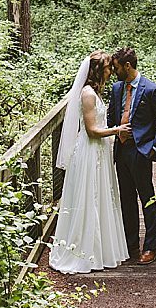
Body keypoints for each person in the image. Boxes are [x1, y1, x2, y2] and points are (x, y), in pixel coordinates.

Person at [49, 51, 133, 273]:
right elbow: (92, 130)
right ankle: (85, 252)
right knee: (90, 198)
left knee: (101, 197)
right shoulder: (87, 94)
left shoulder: (95, 92)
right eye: (107, 67)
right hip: (89, 152)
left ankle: (102, 249)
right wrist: (118, 130)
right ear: (97, 70)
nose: (111, 71)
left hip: (99, 153)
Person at [109, 47, 156, 265]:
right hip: (121, 150)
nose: (114, 71)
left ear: (127, 66)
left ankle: (150, 247)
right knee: (126, 199)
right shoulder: (117, 89)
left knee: (147, 198)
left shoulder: (151, 89)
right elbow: (111, 119)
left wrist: (154, 148)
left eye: (116, 67)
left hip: (141, 150)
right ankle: (131, 244)